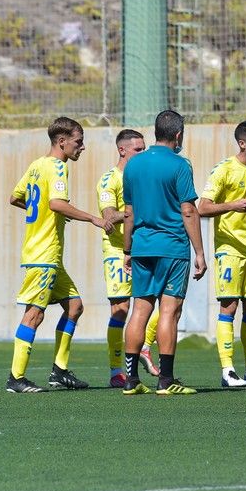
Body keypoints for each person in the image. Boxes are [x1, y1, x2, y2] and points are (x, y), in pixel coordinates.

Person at [6, 117, 112, 393]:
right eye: (78, 141)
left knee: (74, 306)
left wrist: (44, 211)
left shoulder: (36, 165)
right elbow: (56, 203)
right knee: (34, 314)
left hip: (48, 256)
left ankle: (59, 371)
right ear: (62, 142)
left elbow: (16, 198)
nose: (82, 147)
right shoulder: (57, 167)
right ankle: (16, 378)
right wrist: (93, 219)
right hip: (43, 254)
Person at [121, 109, 208, 395]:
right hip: (172, 248)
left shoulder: (132, 165)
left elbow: (129, 212)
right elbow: (188, 210)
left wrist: (127, 249)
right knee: (169, 311)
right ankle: (166, 380)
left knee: (139, 311)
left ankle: (131, 381)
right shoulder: (181, 165)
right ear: (179, 135)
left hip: (142, 246)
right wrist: (199, 252)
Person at [197, 120, 246, 388]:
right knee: (229, 306)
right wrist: (231, 205)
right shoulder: (225, 170)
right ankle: (228, 370)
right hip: (229, 250)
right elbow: (202, 208)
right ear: (242, 143)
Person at [98, 129, 161, 388]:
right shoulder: (109, 179)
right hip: (116, 252)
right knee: (121, 309)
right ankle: (116, 370)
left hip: (145, 248)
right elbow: (108, 215)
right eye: (138, 149)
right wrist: (132, 213)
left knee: (163, 302)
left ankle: (144, 346)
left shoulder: (143, 178)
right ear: (122, 150)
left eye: (145, 149)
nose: (142, 153)